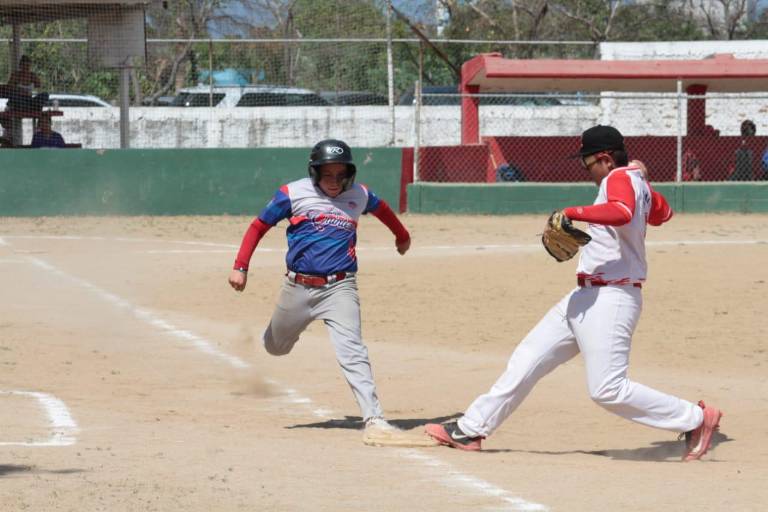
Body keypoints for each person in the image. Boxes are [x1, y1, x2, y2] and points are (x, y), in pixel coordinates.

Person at [425, 125, 723, 461]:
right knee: (528, 358)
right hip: (585, 297)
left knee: (607, 389)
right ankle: (472, 428)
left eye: (588, 163)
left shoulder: (617, 179)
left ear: (606, 159)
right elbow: (662, 214)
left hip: (611, 298)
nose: (586, 170)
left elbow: (624, 212)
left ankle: (696, 419)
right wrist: (643, 181)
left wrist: (572, 212)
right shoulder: (631, 180)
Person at [228, 139, 412, 439]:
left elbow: (385, 211)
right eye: (328, 174)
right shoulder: (292, 193)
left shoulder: (359, 195)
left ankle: (374, 418)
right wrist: (240, 266)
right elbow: (258, 226)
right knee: (275, 347)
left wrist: (402, 236)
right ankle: (289, 328)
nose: (335, 181)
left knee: (352, 351)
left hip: (340, 286)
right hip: (297, 286)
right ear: (315, 173)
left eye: (341, 175)